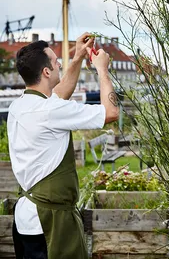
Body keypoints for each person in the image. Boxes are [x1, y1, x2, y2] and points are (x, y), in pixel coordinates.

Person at [7, 33, 119, 259]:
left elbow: (59, 93)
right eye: (56, 61)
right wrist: (102, 69)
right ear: (46, 72)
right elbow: (111, 112)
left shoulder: (19, 106)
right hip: (49, 224)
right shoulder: (50, 111)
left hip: (27, 220)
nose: (60, 63)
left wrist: (77, 57)